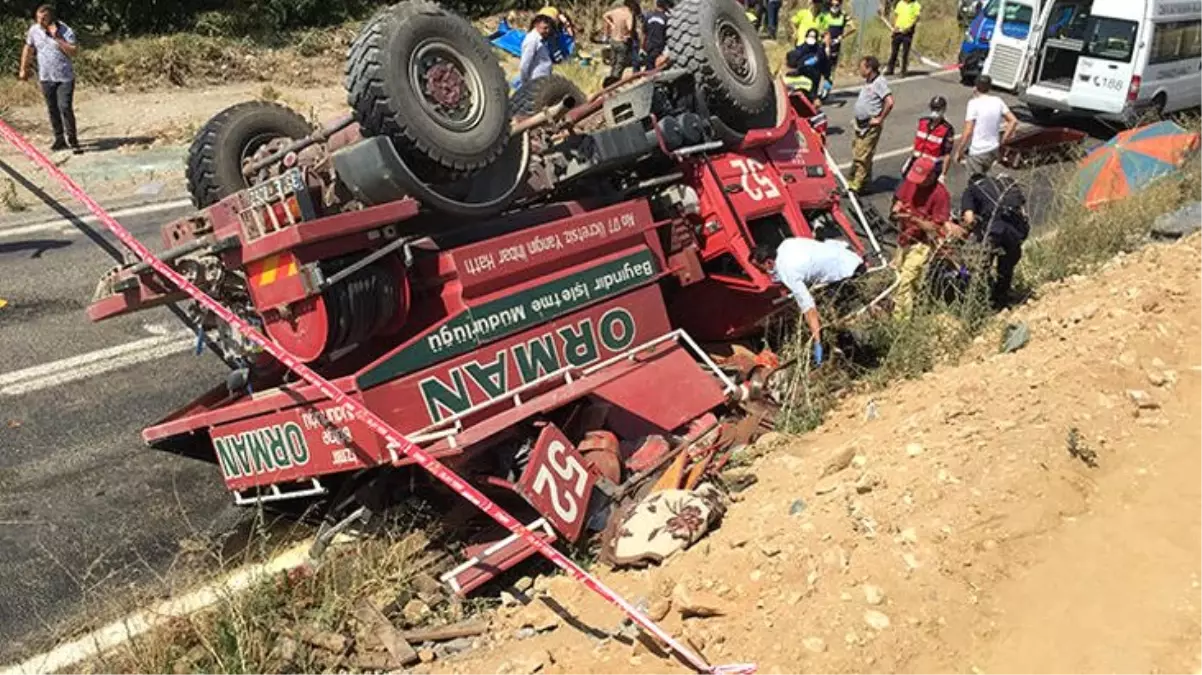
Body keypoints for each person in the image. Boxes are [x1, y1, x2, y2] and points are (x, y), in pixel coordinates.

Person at [751, 237, 866, 366]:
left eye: (760, 268)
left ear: (769, 263)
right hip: (852, 259)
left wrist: (817, 341)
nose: (761, 273)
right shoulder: (787, 244)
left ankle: (859, 361)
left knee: (836, 320)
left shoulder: (787, 272)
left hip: (846, 273)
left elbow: (809, 308)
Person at [891, 155, 965, 315]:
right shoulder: (910, 182)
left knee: (906, 281)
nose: (917, 183)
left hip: (922, 243)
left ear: (932, 176)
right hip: (904, 238)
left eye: (922, 179)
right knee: (899, 277)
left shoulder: (940, 194)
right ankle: (915, 307)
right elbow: (900, 199)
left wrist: (913, 219)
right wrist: (897, 208)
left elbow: (934, 227)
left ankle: (901, 320)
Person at [961, 171, 1030, 307]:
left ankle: (982, 301)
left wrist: (973, 225)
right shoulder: (1003, 183)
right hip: (1015, 231)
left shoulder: (970, 190)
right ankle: (1002, 298)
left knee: (980, 267)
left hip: (994, 229)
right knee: (1006, 266)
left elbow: (968, 219)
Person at [19, 4, 80, 153]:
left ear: (51, 17)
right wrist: (23, 68)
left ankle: (73, 140)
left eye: (44, 18)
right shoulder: (34, 30)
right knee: (52, 109)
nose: (40, 21)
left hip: (65, 77)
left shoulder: (65, 30)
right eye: (38, 18)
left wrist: (57, 38)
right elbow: (29, 48)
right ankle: (59, 139)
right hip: (46, 77)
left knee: (64, 107)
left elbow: (74, 51)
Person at [953, 74, 1018, 177]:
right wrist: (1003, 140)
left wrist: (959, 151)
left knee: (975, 183)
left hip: (978, 151)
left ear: (975, 87)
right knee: (987, 179)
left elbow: (968, 132)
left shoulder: (973, 103)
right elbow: (1013, 121)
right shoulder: (998, 101)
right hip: (993, 148)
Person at [848, 56, 894, 194]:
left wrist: (880, 118)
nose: (859, 70)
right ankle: (866, 181)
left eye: (861, 67)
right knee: (859, 151)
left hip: (870, 125)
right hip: (860, 124)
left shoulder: (879, 83)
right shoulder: (868, 82)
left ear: (869, 69)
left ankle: (855, 184)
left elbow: (889, 101)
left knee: (861, 155)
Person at [904, 95, 955, 181]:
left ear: (943, 110)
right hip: (916, 162)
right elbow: (918, 143)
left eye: (938, 109)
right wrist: (910, 159)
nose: (935, 112)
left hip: (932, 167)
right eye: (933, 108)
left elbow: (947, 154)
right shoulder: (922, 122)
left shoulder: (947, 129)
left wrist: (943, 174)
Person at [783, 28, 831, 101]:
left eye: (813, 36)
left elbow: (825, 64)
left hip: (814, 78)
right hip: (801, 78)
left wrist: (827, 78)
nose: (811, 38)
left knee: (811, 99)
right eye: (810, 36)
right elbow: (791, 63)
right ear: (806, 37)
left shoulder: (820, 51)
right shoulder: (800, 49)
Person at [604, 0, 641, 82]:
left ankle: (610, 80)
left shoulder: (616, 11)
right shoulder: (628, 14)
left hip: (613, 40)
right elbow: (630, 28)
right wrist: (629, 34)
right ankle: (614, 83)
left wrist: (612, 24)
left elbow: (605, 16)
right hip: (622, 42)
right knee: (619, 65)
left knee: (613, 63)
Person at [518, 11, 556, 88]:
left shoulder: (540, 39)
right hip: (535, 82)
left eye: (549, 28)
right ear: (536, 25)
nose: (547, 31)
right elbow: (525, 64)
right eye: (545, 28)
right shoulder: (532, 40)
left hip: (543, 81)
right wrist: (525, 83)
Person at [887, 0, 922, 76]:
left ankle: (903, 71)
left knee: (905, 52)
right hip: (898, 31)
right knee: (894, 51)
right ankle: (890, 69)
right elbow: (896, 15)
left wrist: (909, 27)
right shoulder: (900, 3)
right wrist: (895, 27)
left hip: (907, 32)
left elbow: (916, 18)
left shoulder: (916, 5)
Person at [818, 0, 855, 71]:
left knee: (832, 67)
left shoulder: (843, 15)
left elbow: (853, 27)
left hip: (835, 43)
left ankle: (829, 80)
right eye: (832, 5)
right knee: (820, 65)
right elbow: (818, 27)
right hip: (823, 43)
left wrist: (842, 36)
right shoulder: (824, 15)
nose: (834, 7)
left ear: (840, 5)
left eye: (837, 5)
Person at [638, 0, 670, 72]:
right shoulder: (666, 18)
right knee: (658, 69)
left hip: (649, 46)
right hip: (660, 47)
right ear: (665, 6)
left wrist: (641, 47)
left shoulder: (648, 16)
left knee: (650, 66)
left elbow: (643, 33)